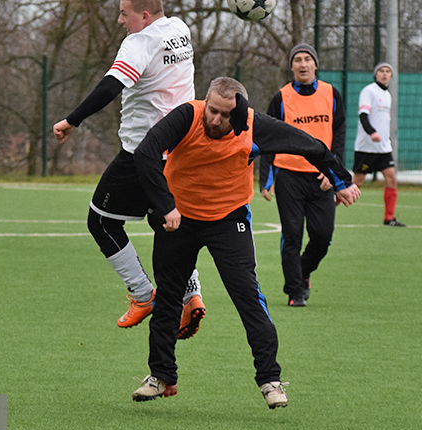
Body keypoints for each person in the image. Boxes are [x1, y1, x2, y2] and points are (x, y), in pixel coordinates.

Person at [130, 77, 361, 409]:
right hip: (179, 219)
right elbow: (146, 154)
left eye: (225, 114)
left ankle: (270, 379)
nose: (215, 119)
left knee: (248, 298)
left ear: (239, 112)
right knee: (168, 298)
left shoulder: (255, 126)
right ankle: (161, 376)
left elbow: (311, 146)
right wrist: (165, 205)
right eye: (212, 110)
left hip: (228, 221)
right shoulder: (187, 116)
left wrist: (341, 180)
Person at [53, 0, 205, 337]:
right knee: (165, 219)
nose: (121, 20)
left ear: (145, 15)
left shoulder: (140, 41)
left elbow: (110, 86)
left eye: (125, 13)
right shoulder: (179, 28)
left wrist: (71, 120)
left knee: (101, 222)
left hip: (143, 152)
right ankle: (192, 295)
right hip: (182, 146)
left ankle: (142, 294)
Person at [259, 44, 346, 307]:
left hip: (322, 179)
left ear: (315, 65)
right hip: (289, 176)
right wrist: (266, 178)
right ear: (292, 66)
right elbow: (267, 137)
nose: (303, 64)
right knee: (292, 235)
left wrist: (334, 172)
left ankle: (303, 271)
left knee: (322, 236)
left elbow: (339, 136)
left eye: (308, 59)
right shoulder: (282, 97)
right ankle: (295, 291)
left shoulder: (332, 94)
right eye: (297, 60)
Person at [352, 62, 406, 227]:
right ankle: (327, 208)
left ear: (391, 75)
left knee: (391, 179)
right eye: (381, 71)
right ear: (376, 75)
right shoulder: (369, 91)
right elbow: (363, 116)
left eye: (388, 71)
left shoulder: (388, 95)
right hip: (366, 147)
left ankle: (389, 218)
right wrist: (372, 132)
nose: (384, 74)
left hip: (383, 148)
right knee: (356, 183)